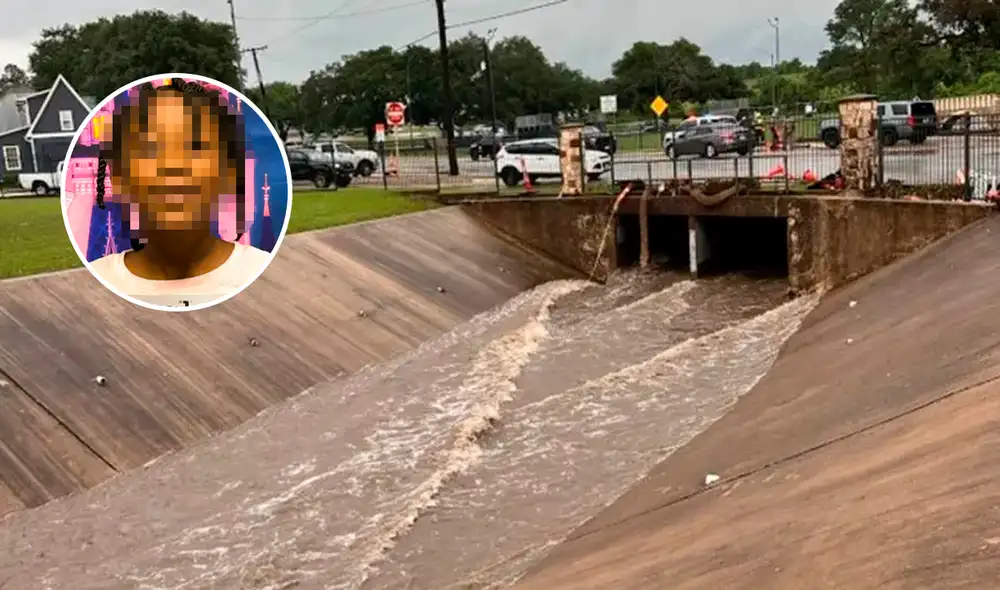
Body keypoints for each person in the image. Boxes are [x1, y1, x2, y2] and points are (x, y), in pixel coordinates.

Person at [88, 78, 271, 308]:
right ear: (119, 178)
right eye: (150, 148)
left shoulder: (263, 272)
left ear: (229, 174)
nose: (173, 164)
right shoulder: (94, 284)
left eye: (195, 146)